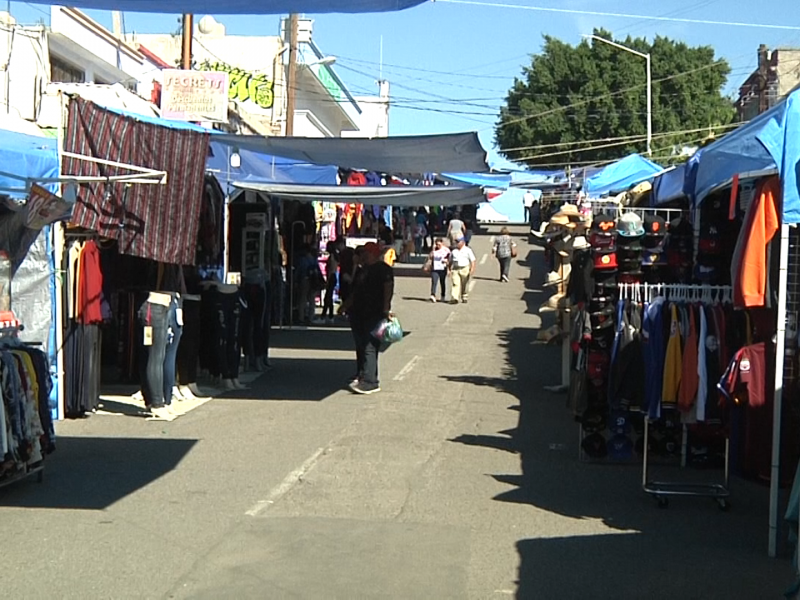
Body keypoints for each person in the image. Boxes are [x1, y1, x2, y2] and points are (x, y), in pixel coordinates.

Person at [345, 242, 394, 395]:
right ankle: (363, 375)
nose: (363, 255)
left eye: (366, 252)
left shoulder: (383, 269)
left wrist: (386, 309)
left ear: (373, 253)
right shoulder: (363, 269)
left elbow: (388, 288)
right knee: (362, 345)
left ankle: (370, 381)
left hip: (375, 312)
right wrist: (346, 306)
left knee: (370, 346)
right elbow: (356, 290)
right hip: (358, 312)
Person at [449, 236, 476, 304]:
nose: (457, 243)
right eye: (456, 242)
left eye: (458, 242)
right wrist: (449, 269)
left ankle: (464, 296)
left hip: (465, 268)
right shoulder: (454, 251)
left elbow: (472, 260)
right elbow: (450, 261)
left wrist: (472, 269)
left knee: (464, 284)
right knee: (455, 283)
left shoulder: (468, 250)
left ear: (463, 242)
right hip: (455, 269)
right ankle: (454, 298)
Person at [320, 240, 339, 322]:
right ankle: (330, 316)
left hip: (331, 277)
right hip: (334, 276)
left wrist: (328, 279)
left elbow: (331, 269)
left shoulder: (331, 257)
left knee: (327, 297)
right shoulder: (335, 256)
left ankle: (323, 316)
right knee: (329, 297)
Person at [429, 237, 450, 302]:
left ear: (442, 243)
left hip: (443, 268)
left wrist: (448, 268)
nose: (438, 246)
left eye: (439, 244)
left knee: (442, 282)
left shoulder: (446, 250)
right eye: (436, 244)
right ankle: (433, 295)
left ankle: (443, 295)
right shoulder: (434, 250)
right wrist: (433, 250)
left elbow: (449, 259)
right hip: (435, 268)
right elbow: (430, 257)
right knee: (434, 282)